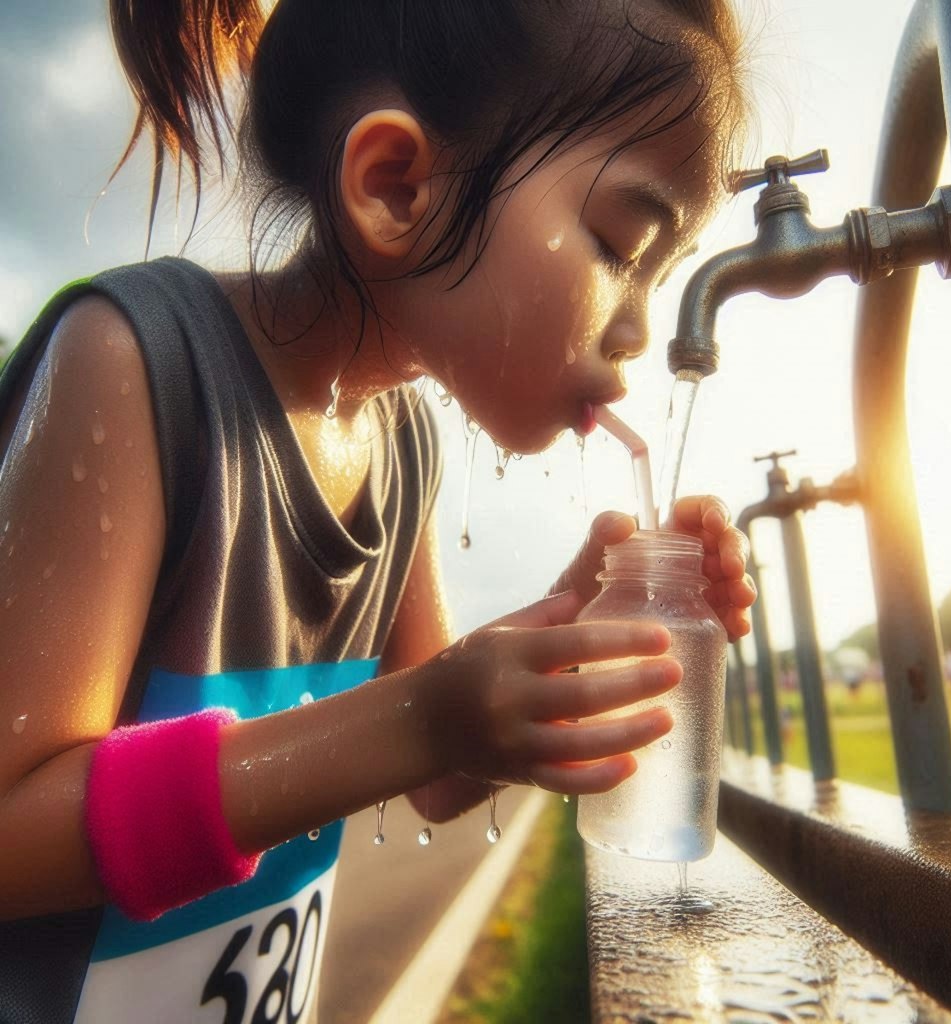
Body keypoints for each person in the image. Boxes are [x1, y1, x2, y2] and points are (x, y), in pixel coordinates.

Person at [0, 2, 757, 1021]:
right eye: (621, 244)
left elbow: (439, 774)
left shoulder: (401, 444)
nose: (635, 330)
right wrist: (424, 715)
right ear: (395, 186)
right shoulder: (134, 364)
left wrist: (574, 632)